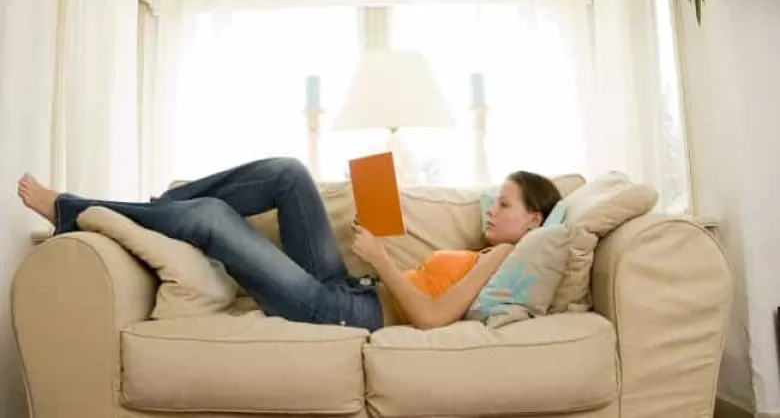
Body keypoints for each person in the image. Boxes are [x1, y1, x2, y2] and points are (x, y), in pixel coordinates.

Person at [17, 157, 561, 331]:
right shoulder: (490, 248)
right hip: (350, 288)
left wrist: (381, 259)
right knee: (289, 173)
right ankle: (164, 207)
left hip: (342, 312)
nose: (492, 210)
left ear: (534, 220)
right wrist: (375, 255)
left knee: (211, 219)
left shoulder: (506, 256)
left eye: (504, 205)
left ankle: (70, 209)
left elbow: (433, 317)